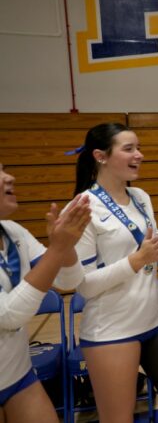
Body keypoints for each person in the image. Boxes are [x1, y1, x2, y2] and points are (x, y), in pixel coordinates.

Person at [69, 123, 158, 423]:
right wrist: (136, 260)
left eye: (138, 147)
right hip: (112, 331)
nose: (139, 155)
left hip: (155, 321)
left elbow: (150, 260)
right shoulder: (82, 208)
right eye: (129, 149)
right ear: (100, 156)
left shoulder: (141, 197)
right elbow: (85, 286)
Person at [0, 163, 90, 423]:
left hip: (17, 375)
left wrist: (66, 245)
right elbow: (8, 316)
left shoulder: (14, 232)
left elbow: (69, 279)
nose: (10, 177)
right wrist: (58, 249)